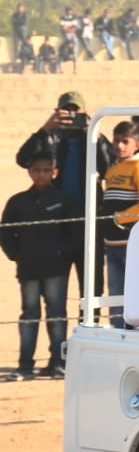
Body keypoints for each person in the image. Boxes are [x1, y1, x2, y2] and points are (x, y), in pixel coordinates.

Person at [16, 92, 112, 307]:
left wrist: (95, 134)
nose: (71, 116)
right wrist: (45, 130)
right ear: (56, 113)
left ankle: (89, 333)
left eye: (75, 111)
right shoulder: (51, 138)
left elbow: (111, 169)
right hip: (58, 227)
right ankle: (58, 339)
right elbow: (23, 159)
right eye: (66, 111)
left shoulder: (94, 139)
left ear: (85, 113)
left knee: (92, 289)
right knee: (54, 292)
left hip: (90, 225)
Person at [1, 155, 77, 378]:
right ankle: (25, 366)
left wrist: (62, 254)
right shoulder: (18, 201)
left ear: (54, 172)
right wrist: (16, 255)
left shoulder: (63, 200)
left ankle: (58, 363)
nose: (41, 174)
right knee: (29, 316)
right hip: (28, 270)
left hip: (56, 270)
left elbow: (73, 233)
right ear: (29, 172)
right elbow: (6, 231)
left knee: (56, 316)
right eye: (37, 170)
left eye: (46, 170)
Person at [101, 121, 139, 328]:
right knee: (115, 294)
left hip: (133, 242)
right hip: (112, 242)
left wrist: (119, 218)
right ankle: (118, 335)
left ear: (137, 144)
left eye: (125, 141)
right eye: (116, 141)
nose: (119, 146)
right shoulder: (113, 168)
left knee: (137, 293)